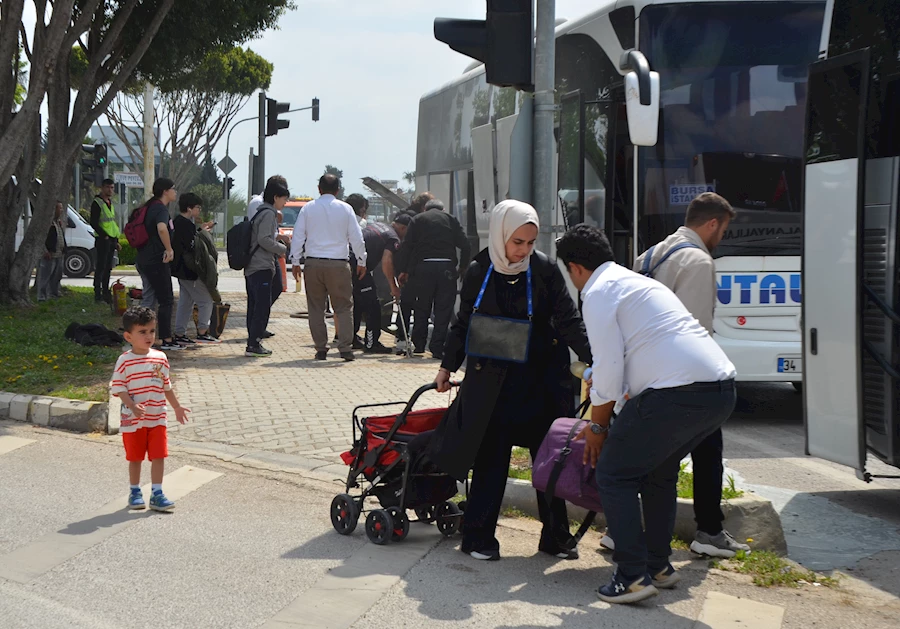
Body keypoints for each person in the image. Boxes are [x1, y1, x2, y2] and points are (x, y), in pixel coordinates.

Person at [555, 224, 736, 605]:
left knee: (613, 473)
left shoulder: (597, 292)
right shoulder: (638, 284)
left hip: (676, 392)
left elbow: (608, 368)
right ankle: (658, 566)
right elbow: (638, 356)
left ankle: (631, 576)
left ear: (575, 268)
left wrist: (597, 426)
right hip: (720, 390)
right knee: (658, 472)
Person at [431, 200, 592, 562]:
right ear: (500, 234)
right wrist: (446, 367)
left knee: (550, 459)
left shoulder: (544, 269)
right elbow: (462, 323)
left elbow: (568, 320)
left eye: (531, 242)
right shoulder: (479, 270)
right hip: (493, 384)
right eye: (517, 242)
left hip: (542, 382)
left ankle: (555, 537)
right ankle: (478, 538)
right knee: (492, 459)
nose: (523, 250)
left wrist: (594, 360)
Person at [625, 191, 747, 559]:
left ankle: (623, 529)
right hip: (682, 379)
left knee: (646, 454)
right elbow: (696, 332)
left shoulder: (650, 255)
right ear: (712, 223)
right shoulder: (698, 261)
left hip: (644, 371)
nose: (721, 238)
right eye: (722, 230)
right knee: (708, 450)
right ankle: (708, 531)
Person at [110, 306, 190, 512]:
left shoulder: (160, 358)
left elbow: (166, 387)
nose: (149, 336)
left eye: (152, 331)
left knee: (159, 455)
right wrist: (132, 405)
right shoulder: (124, 361)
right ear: (128, 336)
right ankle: (135, 491)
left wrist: (177, 407)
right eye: (142, 332)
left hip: (157, 417)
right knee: (135, 457)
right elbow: (119, 388)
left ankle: (157, 493)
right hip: (133, 420)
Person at [289, 174, 367, 361]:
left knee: (315, 307)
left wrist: (295, 261)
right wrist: (362, 260)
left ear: (319, 189)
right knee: (343, 307)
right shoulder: (346, 209)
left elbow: (298, 235)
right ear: (338, 190)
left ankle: (321, 348)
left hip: (313, 263)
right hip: (338, 264)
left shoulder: (308, 208)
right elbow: (356, 237)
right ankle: (345, 348)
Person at [397, 198, 470, 359]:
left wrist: (404, 270)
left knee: (422, 307)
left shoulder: (418, 219)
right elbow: (465, 244)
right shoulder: (450, 219)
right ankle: (437, 347)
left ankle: (419, 345)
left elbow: (407, 246)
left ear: (425, 209)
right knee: (443, 309)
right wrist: (463, 267)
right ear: (442, 209)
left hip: (423, 268)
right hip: (446, 268)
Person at [346, 195, 403, 353]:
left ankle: (351, 338)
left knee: (358, 304)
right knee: (373, 306)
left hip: (347, 262)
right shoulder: (393, 238)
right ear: (403, 228)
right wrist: (393, 287)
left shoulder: (379, 225)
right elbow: (386, 262)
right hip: (358, 266)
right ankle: (372, 344)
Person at [135, 178, 182, 352]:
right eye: (173, 189)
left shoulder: (149, 207)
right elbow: (162, 228)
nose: (175, 192)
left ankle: (142, 336)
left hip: (144, 259)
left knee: (149, 299)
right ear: (165, 191)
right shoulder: (160, 209)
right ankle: (166, 339)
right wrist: (169, 249)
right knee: (166, 300)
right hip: (156, 260)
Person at [245, 178, 289, 357]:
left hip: (253, 266)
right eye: (284, 199)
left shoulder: (260, 212)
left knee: (255, 305)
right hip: (261, 266)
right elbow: (263, 239)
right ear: (276, 197)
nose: (285, 203)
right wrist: (282, 249)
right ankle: (254, 344)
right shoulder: (269, 214)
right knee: (262, 307)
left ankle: (253, 342)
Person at [171, 192, 218, 345]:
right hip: (189, 271)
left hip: (179, 270)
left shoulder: (177, 222)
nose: (199, 210)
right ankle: (202, 332)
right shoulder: (186, 224)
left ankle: (180, 333)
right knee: (206, 301)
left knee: (186, 302)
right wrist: (202, 233)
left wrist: (199, 231)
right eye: (198, 207)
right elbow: (192, 247)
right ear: (189, 208)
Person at [90, 178, 120, 303]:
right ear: (102, 188)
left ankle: (106, 293)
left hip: (111, 239)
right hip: (103, 239)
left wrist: (116, 241)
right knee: (101, 267)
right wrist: (104, 236)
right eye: (107, 187)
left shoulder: (110, 203)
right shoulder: (97, 203)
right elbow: (94, 222)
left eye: (112, 187)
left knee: (108, 268)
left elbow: (112, 224)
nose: (110, 190)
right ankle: (98, 294)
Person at [37, 201, 66, 302]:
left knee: (57, 276)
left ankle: (54, 293)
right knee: (45, 276)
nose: (61, 210)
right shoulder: (47, 223)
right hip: (50, 254)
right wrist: (45, 251)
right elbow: (41, 238)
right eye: (59, 208)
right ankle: (42, 297)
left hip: (59, 254)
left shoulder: (58, 222)